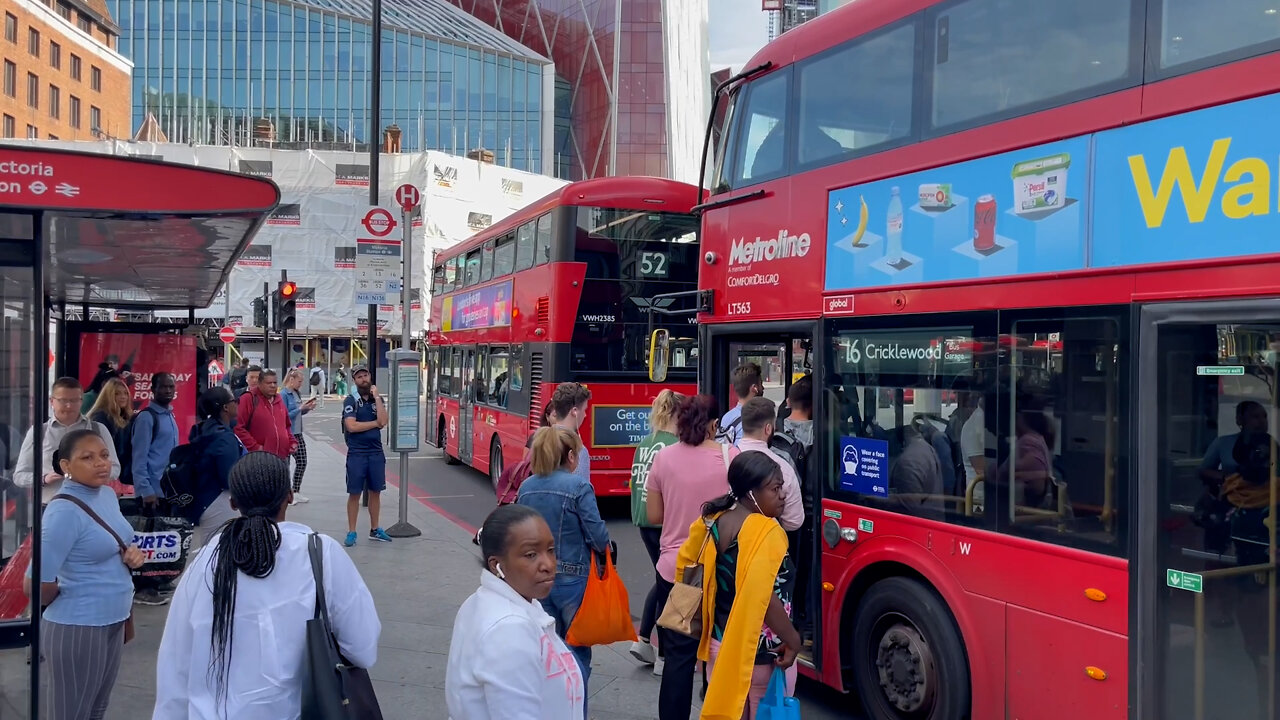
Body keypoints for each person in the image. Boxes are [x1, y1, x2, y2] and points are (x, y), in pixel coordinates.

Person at [153, 452, 380, 720]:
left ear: (233, 502)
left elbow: (176, 666)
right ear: (289, 496)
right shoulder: (321, 553)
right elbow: (362, 649)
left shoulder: (204, 563)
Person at [25, 429, 146, 720]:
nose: (100, 463)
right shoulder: (63, 512)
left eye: (104, 455)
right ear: (66, 466)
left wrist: (133, 555)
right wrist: (70, 596)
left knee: (96, 709)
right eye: (87, 458)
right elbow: (35, 583)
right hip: (79, 625)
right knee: (71, 713)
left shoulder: (106, 494)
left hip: (115, 618)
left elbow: (116, 542)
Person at [683, 451, 802, 720]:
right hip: (760, 653)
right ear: (751, 493)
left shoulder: (713, 521)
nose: (783, 494)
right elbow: (764, 597)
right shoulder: (766, 531)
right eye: (775, 488)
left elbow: (685, 567)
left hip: (718, 645)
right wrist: (793, 640)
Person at [646, 393, 739, 720]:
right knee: (722, 654)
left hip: (678, 572)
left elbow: (654, 514)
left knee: (678, 660)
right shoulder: (732, 458)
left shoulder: (663, 458)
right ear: (715, 424)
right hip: (724, 573)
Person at [446, 504, 585, 720]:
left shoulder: (484, 601)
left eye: (551, 550)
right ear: (496, 565)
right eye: (530, 555)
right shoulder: (509, 628)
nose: (548, 564)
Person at [517, 426, 611, 707]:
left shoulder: (526, 487)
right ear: (570, 456)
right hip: (573, 579)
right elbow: (597, 535)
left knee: (547, 651)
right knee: (576, 652)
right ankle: (574, 710)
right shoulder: (578, 487)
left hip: (536, 579)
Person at [628, 389, 681, 674]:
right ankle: (663, 654)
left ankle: (645, 638)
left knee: (662, 580)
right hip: (665, 522)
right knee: (669, 585)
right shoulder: (674, 447)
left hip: (642, 519)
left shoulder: (645, 443)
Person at [15, 377, 120, 508]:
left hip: (91, 507)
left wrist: (93, 474)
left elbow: (115, 468)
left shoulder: (98, 429)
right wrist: (44, 479)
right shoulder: (39, 432)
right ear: (52, 401)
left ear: (81, 401)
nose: (69, 405)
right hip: (50, 506)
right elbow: (19, 476)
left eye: (74, 400)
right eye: (63, 400)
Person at [185, 387, 247, 552]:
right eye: (234, 401)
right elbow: (229, 478)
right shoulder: (224, 438)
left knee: (211, 549)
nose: (237, 404)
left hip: (206, 499)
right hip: (220, 501)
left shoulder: (206, 428)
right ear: (225, 407)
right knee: (220, 552)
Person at [738, 397, 804, 532]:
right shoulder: (783, 468)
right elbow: (794, 522)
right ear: (768, 429)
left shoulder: (723, 458)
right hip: (766, 542)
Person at [343, 365, 391, 546]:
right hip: (357, 453)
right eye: (359, 377)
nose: (363, 379)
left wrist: (377, 396)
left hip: (375, 452)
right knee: (354, 492)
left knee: (375, 491)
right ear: (354, 381)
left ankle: (375, 529)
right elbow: (352, 426)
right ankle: (352, 531)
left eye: (365, 375)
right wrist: (374, 424)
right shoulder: (351, 400)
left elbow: (384, 421)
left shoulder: (376, 400)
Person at [233, 369, 295, 460]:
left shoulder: (279, 400)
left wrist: (291, 442)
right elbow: (237, 427)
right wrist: (256, 447)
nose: (273, 386)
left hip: (282, 457)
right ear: (259, 383)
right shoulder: (248, 399)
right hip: (259, 458)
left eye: (275, 382)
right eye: (269, 383)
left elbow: (286, 426)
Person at [281, 369, 317, 505]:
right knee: (286, 464)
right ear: (292, 380)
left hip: (298, 433)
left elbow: (297, 414)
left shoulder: (296, 393)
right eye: (299, 381)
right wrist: (299, 409)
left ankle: (296, 490)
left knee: (302, 461)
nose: (301, 384)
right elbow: (284, 416)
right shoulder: (284, 394)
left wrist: (306, 409)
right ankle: (287, 494)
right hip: (287, 433)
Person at [548, 382, 592, 484]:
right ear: (574, 411)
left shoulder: (539, 442)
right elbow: (582, 492)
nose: (585, 415)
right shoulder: (579, 450)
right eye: (584, 410)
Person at [88, 376, 134, 463]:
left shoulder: (126, 417)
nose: (123, 397)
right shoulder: (100, 417)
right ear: (108, 396)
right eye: (117, 394)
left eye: (125, 393)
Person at [719, 363, 762, 446]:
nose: (763, 388)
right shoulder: (754, 420)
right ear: (754, 388)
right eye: (760, 384)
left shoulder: (727, 417)